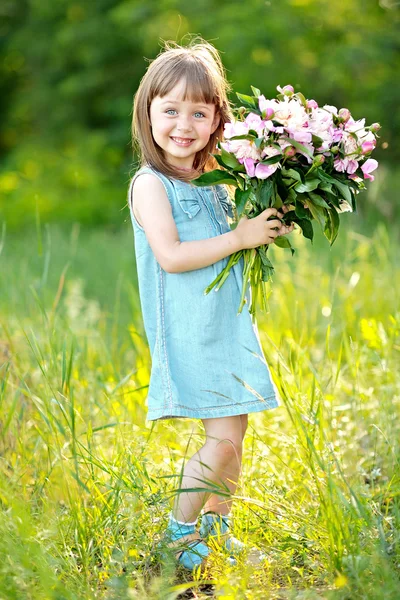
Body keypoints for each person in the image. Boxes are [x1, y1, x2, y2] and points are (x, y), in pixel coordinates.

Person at [128, 38, 294, 570]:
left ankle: (215, 533)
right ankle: (177, 536)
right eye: (170, 109)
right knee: (220, 442)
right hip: (190, 331)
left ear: (218, 119)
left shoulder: (219, 180)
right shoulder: (151, 185)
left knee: (235, 437)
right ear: (147, 113)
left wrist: (271, 217)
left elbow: (244, 229)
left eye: (199, 112)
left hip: (227, 327)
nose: (184, 123)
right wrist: (241, 238)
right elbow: (172, 256)